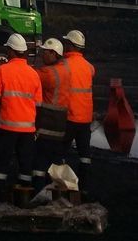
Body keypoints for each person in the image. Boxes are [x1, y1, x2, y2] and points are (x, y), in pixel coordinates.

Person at [0, 33, 42, 202]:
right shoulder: (34, 74)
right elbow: (38, 105)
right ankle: (24, 197)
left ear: (11, 51)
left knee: (1, 163)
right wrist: (36, 126)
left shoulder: (3, 71)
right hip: (27, 130)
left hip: (6, 128)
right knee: (25, 164)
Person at [33, 38, 70, 190]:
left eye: (45, 52)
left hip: (47, 122)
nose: (42, 55)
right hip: (61, 123)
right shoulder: (65, 70)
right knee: (55, 159)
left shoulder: (47, 73)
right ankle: (59, 190)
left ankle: (38, 190)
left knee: (40, 160)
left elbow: (31, 76)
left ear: (54, 53)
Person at [62, 29, 95, 191]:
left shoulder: (63, 65)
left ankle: (62, 185)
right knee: (84, 156)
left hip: (69, 117)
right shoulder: (89, 67)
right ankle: (85, 188)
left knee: (60, 152)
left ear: (70, 45)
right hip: (85, 118)